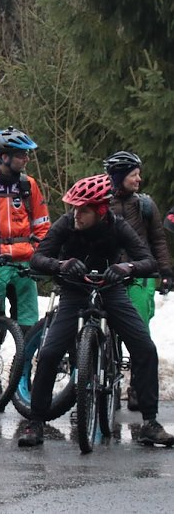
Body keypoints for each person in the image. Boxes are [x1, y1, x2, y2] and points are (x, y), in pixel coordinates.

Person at [20, 174, 174, 447]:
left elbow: (147, 260)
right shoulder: (66, 223)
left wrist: (127, 268)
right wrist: (61, 265)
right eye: (75, 208)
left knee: (145, 348)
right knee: (49, 353)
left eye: (84, 209)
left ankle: (149, 422)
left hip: (110, 289)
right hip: (74, 291)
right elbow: (38, 258)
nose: (77, 214)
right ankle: (35, 422)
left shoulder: (118, 226)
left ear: (101, 211)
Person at [104, 151, 173, 410]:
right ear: (119, 177)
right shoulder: (101, 203)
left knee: (139, 334)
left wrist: (165, 272)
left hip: (140, 277)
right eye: (134, 175)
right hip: (110, 276)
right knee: (104, 329)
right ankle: (102, 381)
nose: (139, 180)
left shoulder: (145, 205)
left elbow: (158, 240)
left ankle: (137, 389)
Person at [0, 127, 50, 332]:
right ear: (5, 157)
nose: (26, 159)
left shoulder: (28, 185)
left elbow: (42, 224)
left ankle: (23, 364)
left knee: (29, 325)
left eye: (26, 154)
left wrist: (38, 253)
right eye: (21, 155)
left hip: (23, 263)